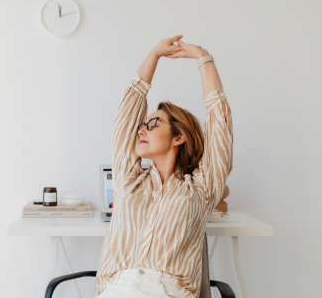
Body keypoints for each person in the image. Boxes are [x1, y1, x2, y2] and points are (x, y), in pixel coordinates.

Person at [94, 35, 234, 298]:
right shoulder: (129, 180)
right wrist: (154, 55)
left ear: (179, 137)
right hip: (117, 289)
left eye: (154, 123)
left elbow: (220, 127)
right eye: (142, 125)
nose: (142, 130)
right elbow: (127, 115)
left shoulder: (201, 189)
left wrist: (203, 59)